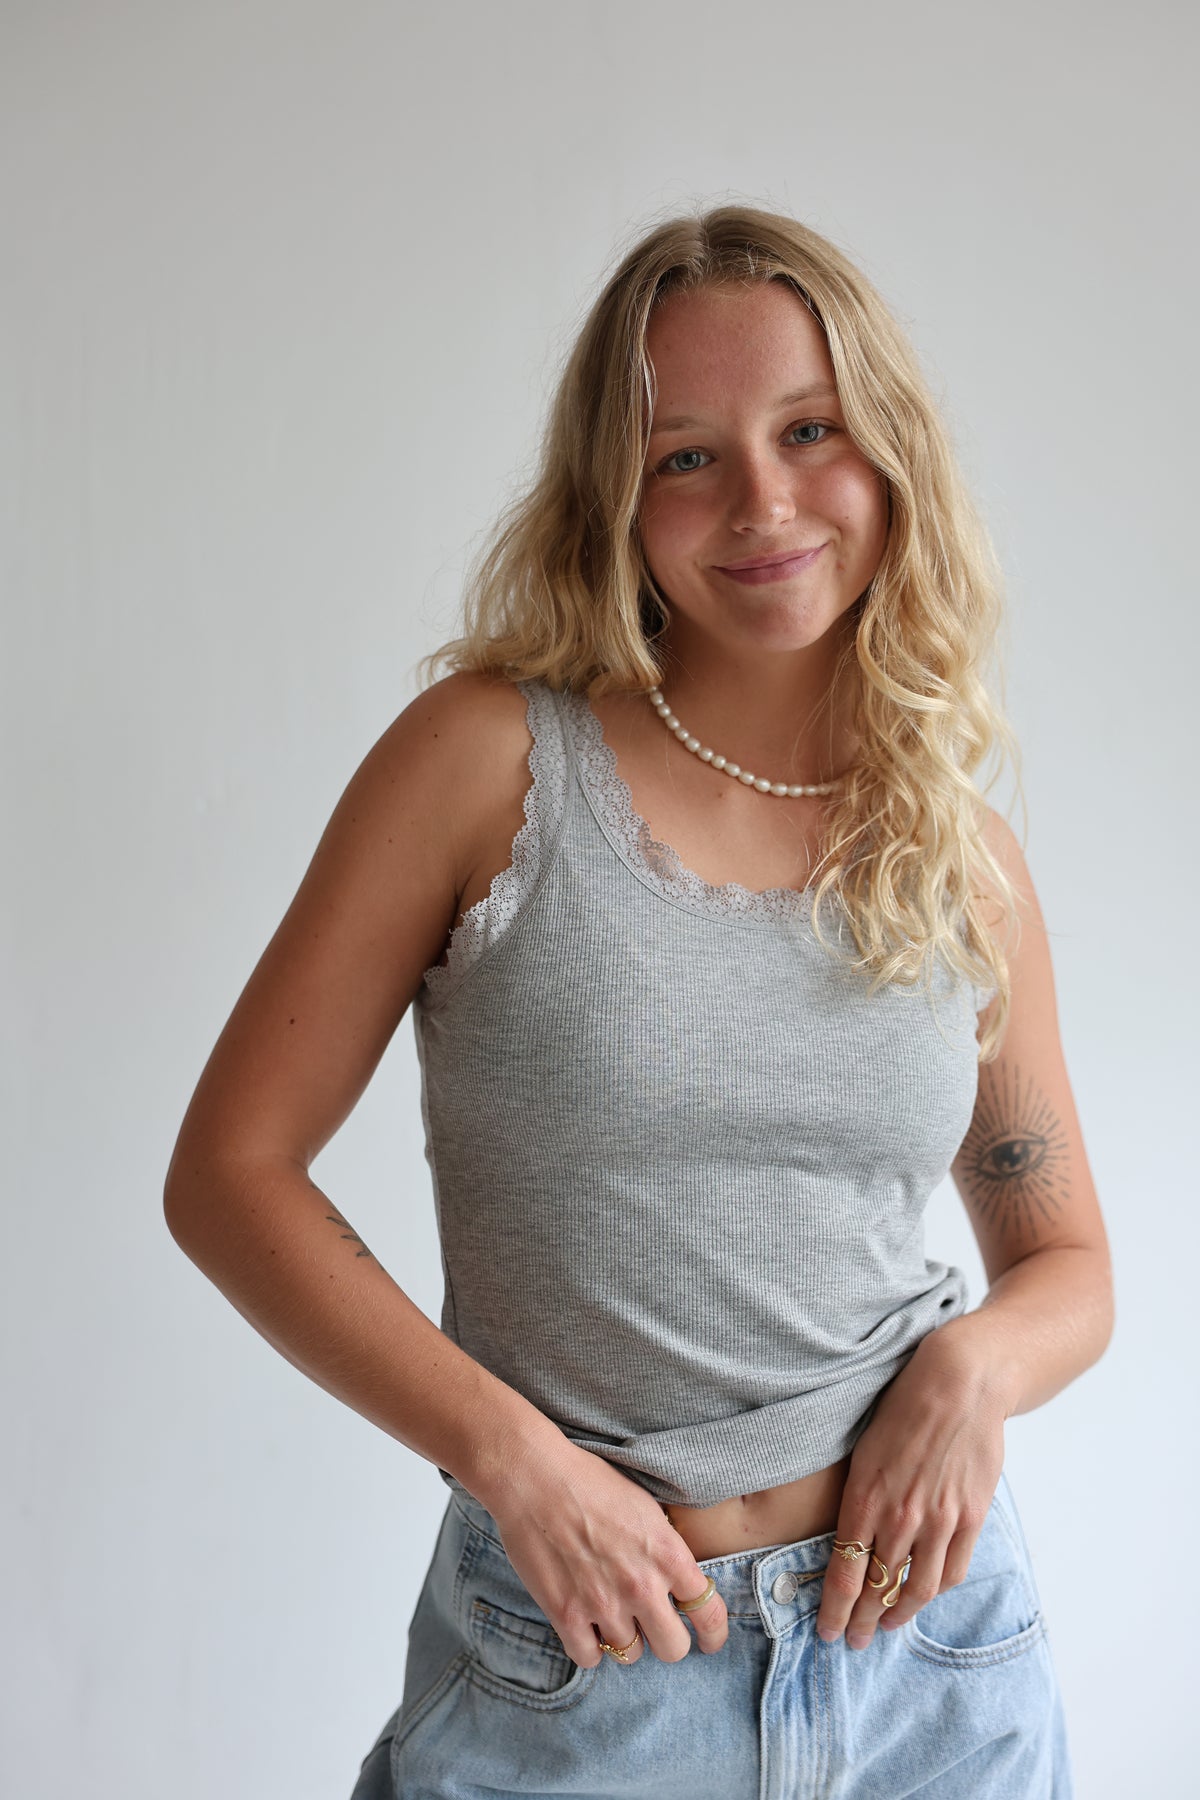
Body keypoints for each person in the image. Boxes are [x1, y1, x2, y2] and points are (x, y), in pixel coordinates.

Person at [163, 205, 1112, 1799]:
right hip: (584, 1667)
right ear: (617, 494)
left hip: (933, 1665)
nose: (762, 502)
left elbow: (1068, 1263)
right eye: (687, 456)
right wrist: (509, 1459)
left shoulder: (956, 852)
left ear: (890, 453)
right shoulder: (486, 763)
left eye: (810, 430)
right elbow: (229, 1174)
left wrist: (974, 1375)